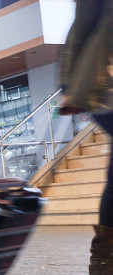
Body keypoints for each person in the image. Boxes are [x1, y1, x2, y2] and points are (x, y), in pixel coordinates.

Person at [57, 1, 112, 273]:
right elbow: (84, 21)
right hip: (106, 81)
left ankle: (104, 258)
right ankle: (104, 258)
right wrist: (71, 85)